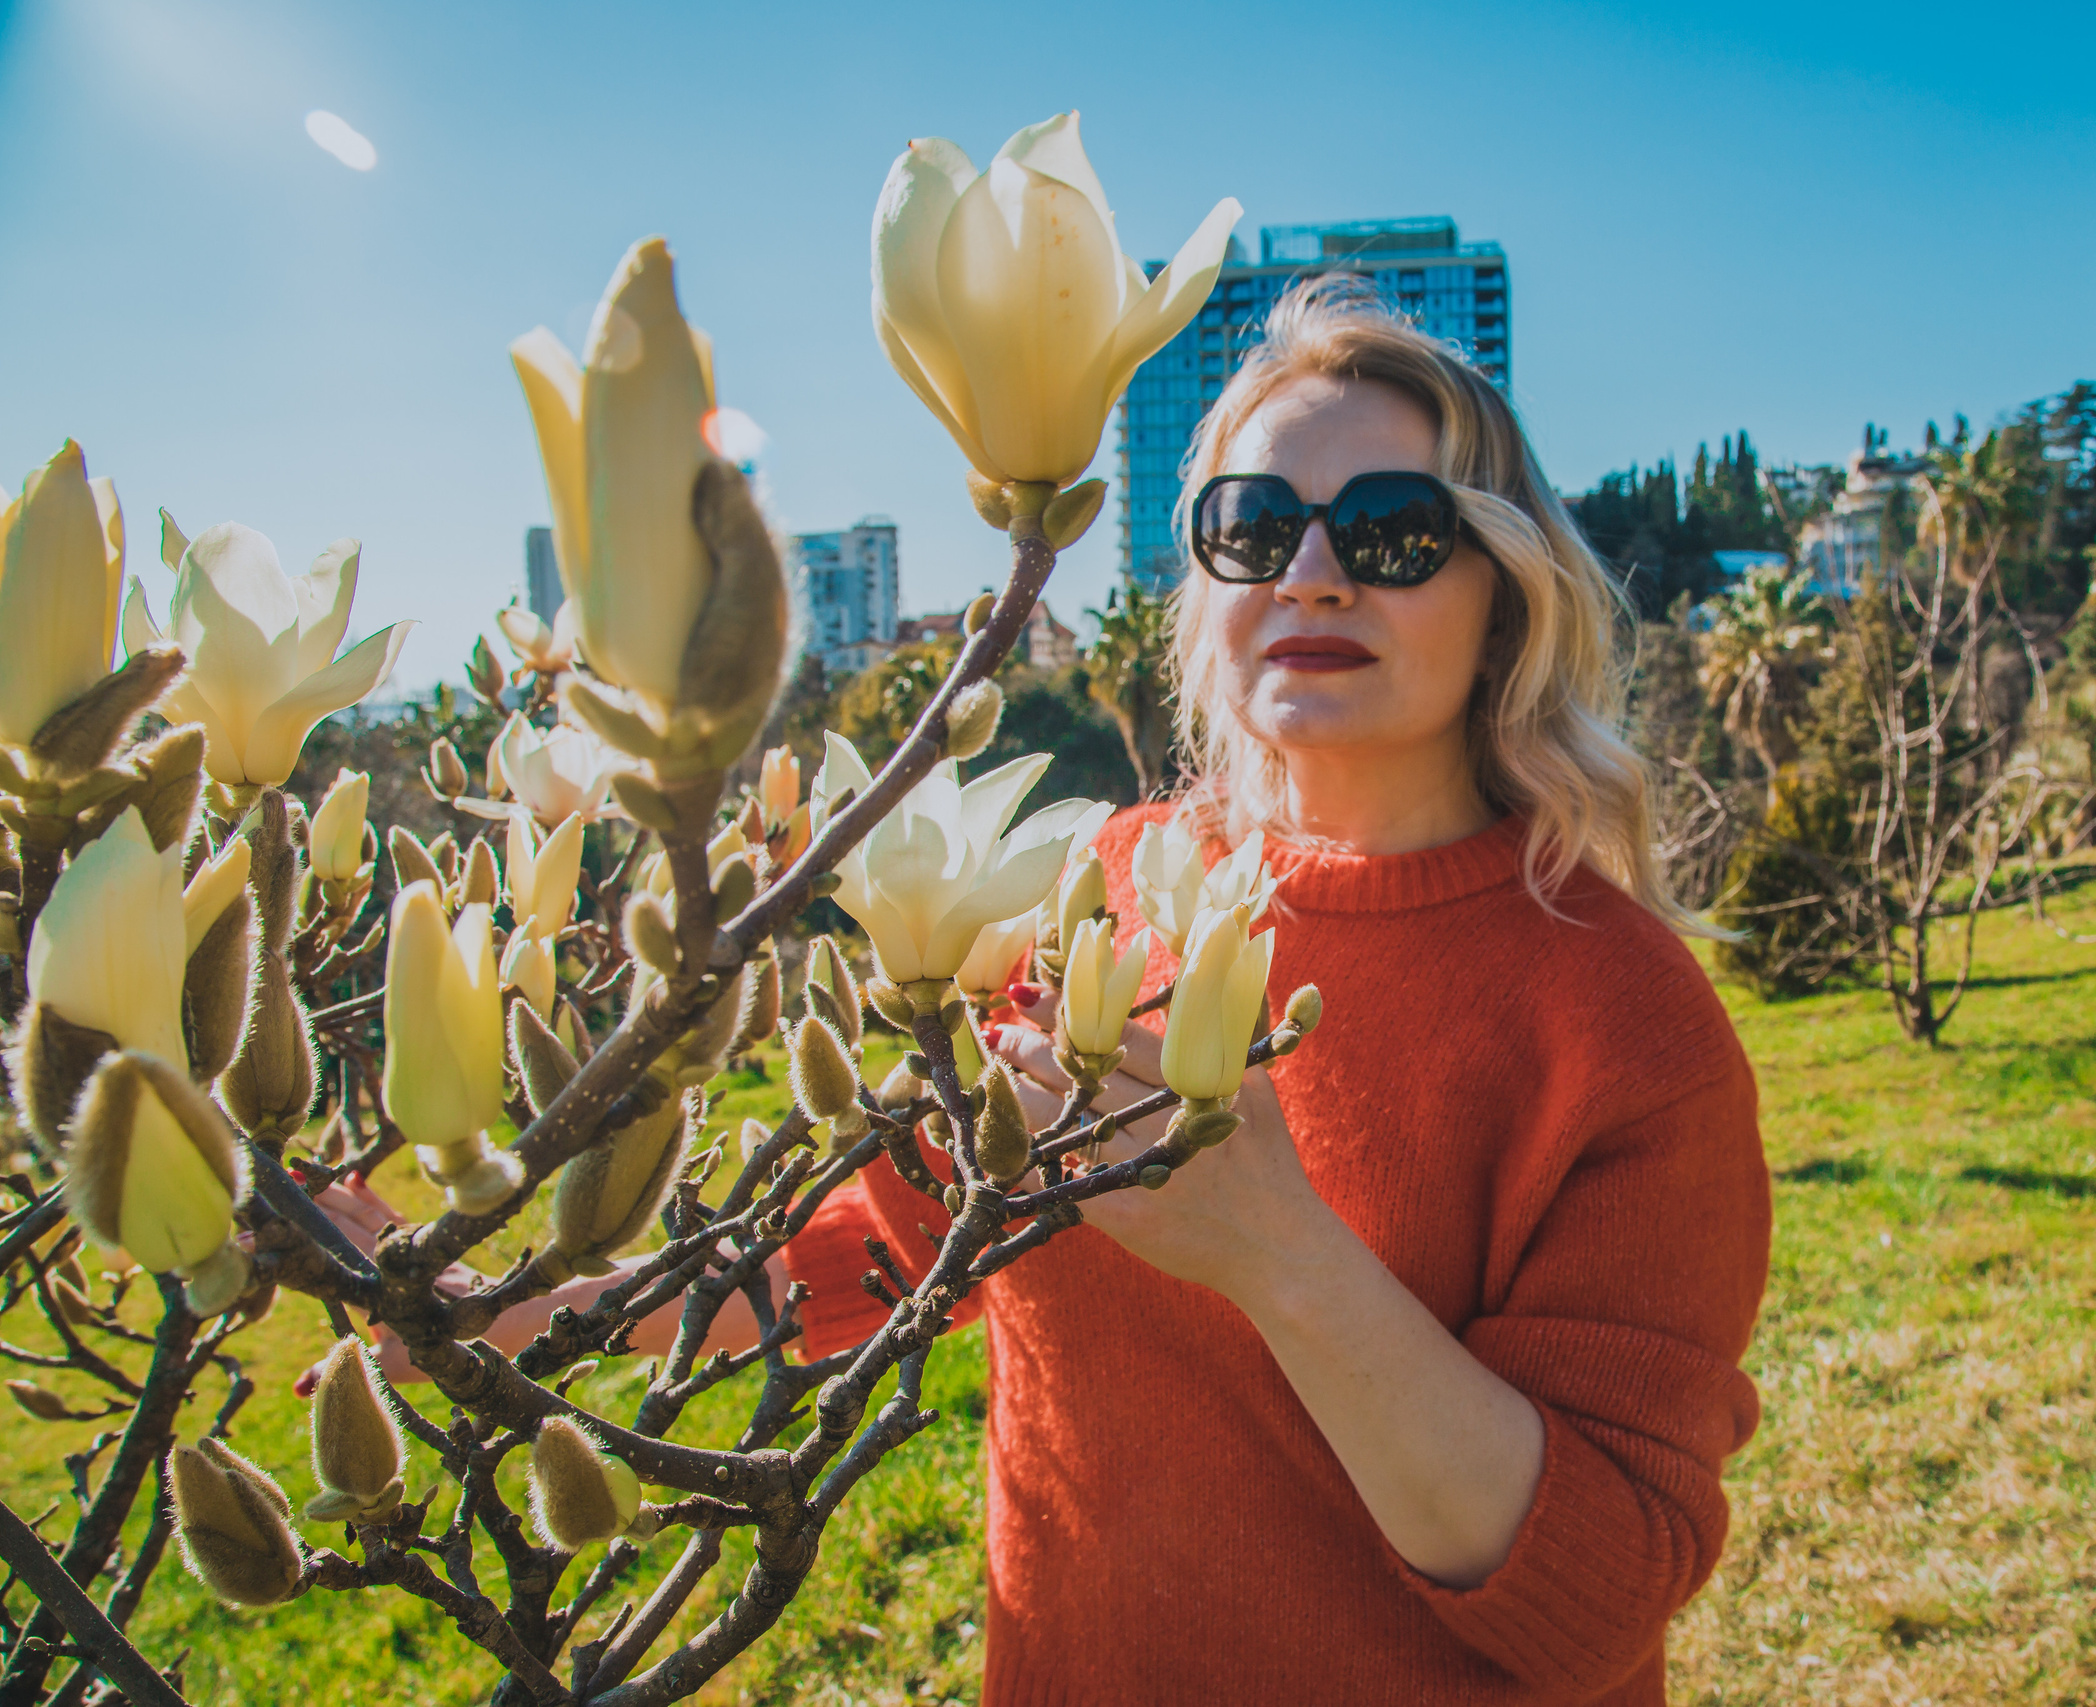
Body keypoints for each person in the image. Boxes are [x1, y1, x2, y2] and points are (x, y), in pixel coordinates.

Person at [343, 278, 1770, 1705]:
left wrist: (1279, 1254)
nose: (1313, 575)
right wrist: (519, 1316)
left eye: (1394, 531)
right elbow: (890, 1238)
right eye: (1254, 528)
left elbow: (1595, 1593)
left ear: (1504, 588)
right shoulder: (1112, 885)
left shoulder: (1622, 1017)